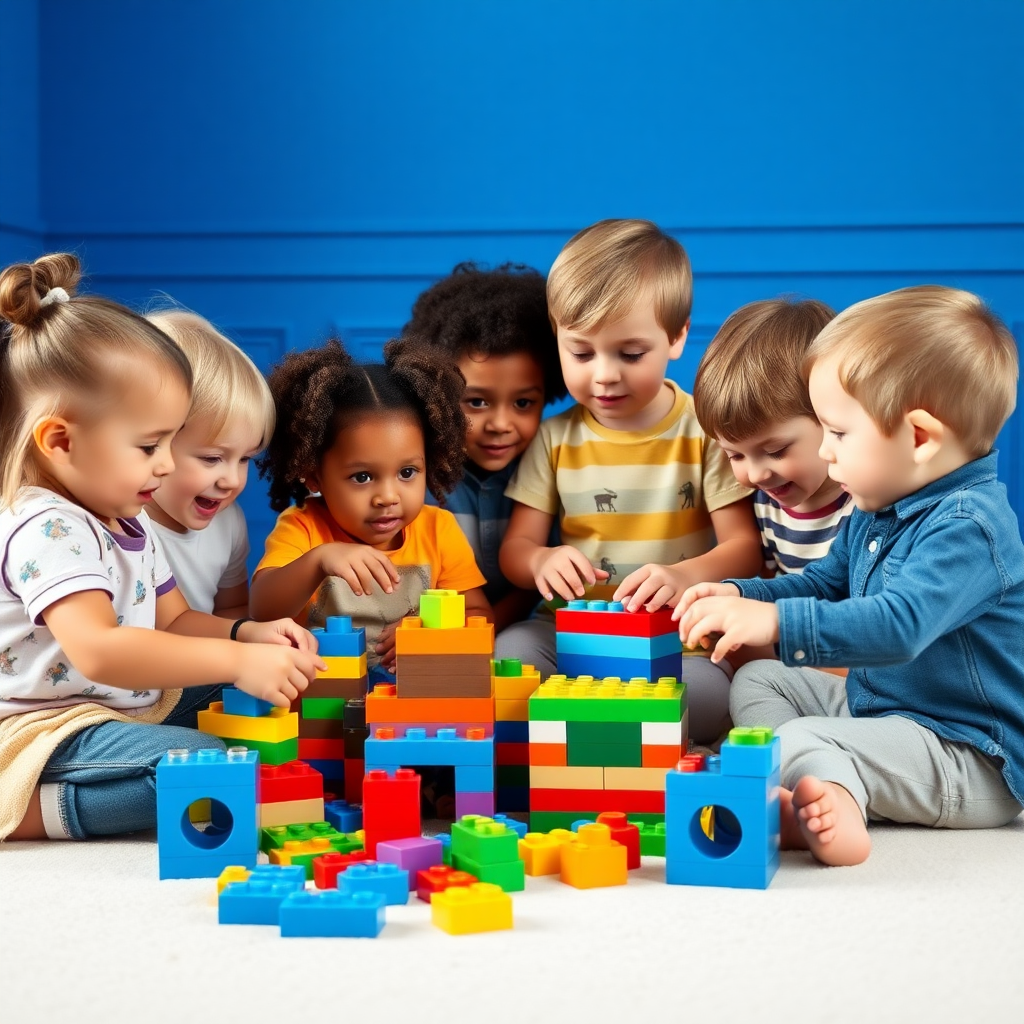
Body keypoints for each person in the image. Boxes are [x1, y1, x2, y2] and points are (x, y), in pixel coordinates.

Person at [675, 285, 1024, 866]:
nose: (828, 454)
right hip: (885, 712)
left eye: (838, 433)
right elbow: (822, 582)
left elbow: (899, 626)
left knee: (802, 738)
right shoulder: (879, 509)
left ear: (918, 438)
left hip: (967, 751)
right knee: (759, 683)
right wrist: (739, 593)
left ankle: (833, 795)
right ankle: (804, 785)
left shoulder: (970, 527)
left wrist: (772, 620)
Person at [0, 254, 324, 842]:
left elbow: (172, 621)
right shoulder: (47, 527)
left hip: (118, 705)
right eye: (150, 446)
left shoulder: (126, 515)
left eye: (172, 443)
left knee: (257, 707)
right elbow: (98, 649)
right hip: (45, 726)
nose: (167, 464)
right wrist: (236, 662)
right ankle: (26, 808)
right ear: (61, 441)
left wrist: (243, 635)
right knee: (205, 766)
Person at [499, 219, 763, 743]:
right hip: (570, 632)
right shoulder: (555, 440)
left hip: (673, 641)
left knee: (711, 702)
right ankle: (601, 737)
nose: (604, 374)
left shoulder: (704, 431)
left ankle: (593, 739)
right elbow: (517, 548)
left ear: (678, 336)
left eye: (630, 353)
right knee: (508, 658)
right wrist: (541, 560)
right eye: (581, 352)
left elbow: (745, 549)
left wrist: (685, 575)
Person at [249, 336, 491, 682]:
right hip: (323, 693)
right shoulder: (302, 528)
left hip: (409, 694)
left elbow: (480, 614)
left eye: (407, 473)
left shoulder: (439, 529)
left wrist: (430, 629)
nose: (388, 496)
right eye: (362, 477)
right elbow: (262, 610)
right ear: (313, 476)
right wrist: (320, 559)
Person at [403, 262, 565, 638]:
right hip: (424, 636)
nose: (500, 424)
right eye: (476, 402)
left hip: (518, 636)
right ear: (438, 393)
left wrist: (485, 628)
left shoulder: (552, 467)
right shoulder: (413, 474)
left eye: (523, 403)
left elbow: (532, 586)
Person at [693, 297, 852, 577]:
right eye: (735, 455)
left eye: (776, 450)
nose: (756, 475)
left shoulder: (864, 503)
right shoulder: (766, 503)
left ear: (830, 418)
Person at [143, 308, 276, 616]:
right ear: (152, 442)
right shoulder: (120, 525)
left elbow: (232, 608)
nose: (232, 480)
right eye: (212, 458)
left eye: (244, 459)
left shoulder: (228, 524)